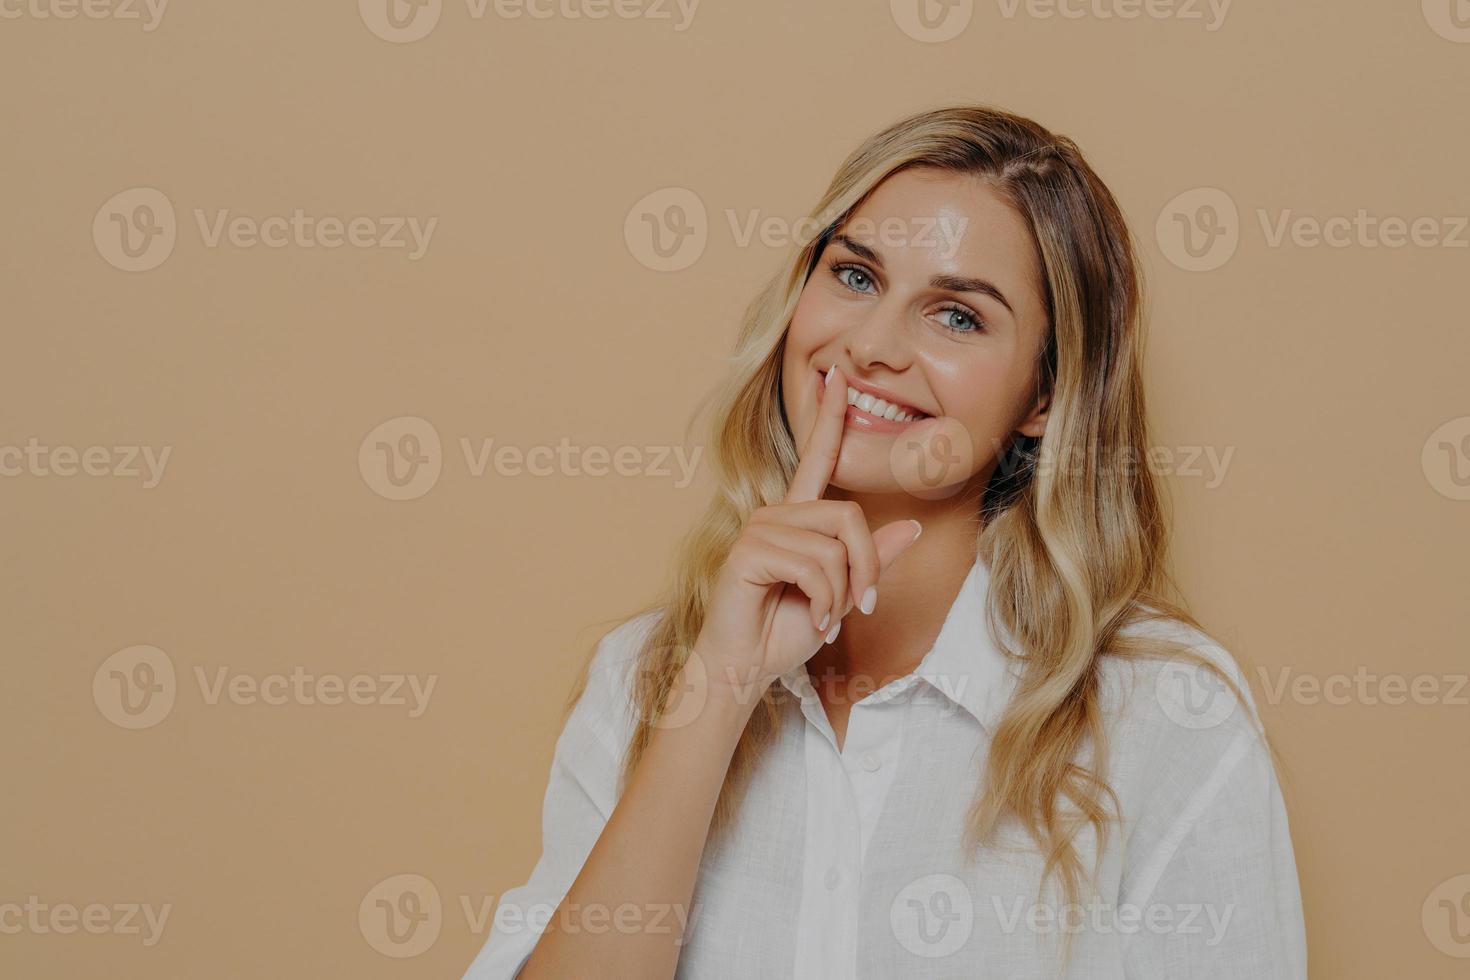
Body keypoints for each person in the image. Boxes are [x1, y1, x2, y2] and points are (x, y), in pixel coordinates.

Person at [463, 104, 1308, 979]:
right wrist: (718, 694)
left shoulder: (1164, 711)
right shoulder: (642, 676)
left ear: (1043, 397)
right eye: (857, 278)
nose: (870, 347)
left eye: (958, 317)